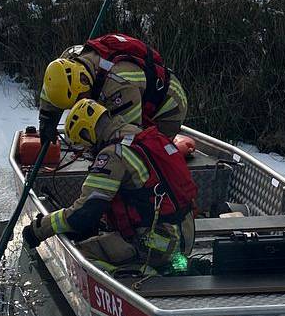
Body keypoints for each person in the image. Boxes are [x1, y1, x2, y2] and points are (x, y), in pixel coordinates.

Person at [22, 98, 197, 276]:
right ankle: (164, 263)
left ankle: (139, 272)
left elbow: (83, 214)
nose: (88, 152)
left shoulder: (113, 155)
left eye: (85, 146)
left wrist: (40, 228)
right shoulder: (148, 137)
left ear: (86, 132)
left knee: (79, 255)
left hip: (156, 244)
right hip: (184, 236)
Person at [37, 32, 188, 146]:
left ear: (84, 81)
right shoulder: (69, 59)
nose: (75, 107)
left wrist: (103, 149)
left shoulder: (118, 84)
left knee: (148, 152)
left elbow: (128, 135)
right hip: (131, 91)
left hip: (169, 106)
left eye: (78, 100)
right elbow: (51, 86)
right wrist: (47, 118)